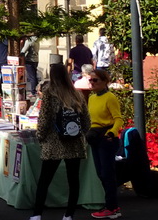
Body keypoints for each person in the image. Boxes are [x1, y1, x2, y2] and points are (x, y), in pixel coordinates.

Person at [29, 63, 91, 220]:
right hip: (74, 141)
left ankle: (37, 214)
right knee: (73, 180)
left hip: (54, 141)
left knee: (45, 179)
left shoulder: (49, 92)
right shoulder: (76, 94)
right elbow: (86, 119)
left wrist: (40, 136)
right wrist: (80, 133)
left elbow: (44, 118)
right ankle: (69, 214)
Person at [87, 68, 124, 219]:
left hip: (106, 137)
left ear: (104, 82)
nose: (92, 83)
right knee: (100, 173)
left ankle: (112, 207)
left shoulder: (110, 98)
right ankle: (111, 205)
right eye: (90, 80)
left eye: (95, 80)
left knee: (107, 174)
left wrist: (112, 132)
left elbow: (118, 118)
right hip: (94, 137)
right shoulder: (91, 97)